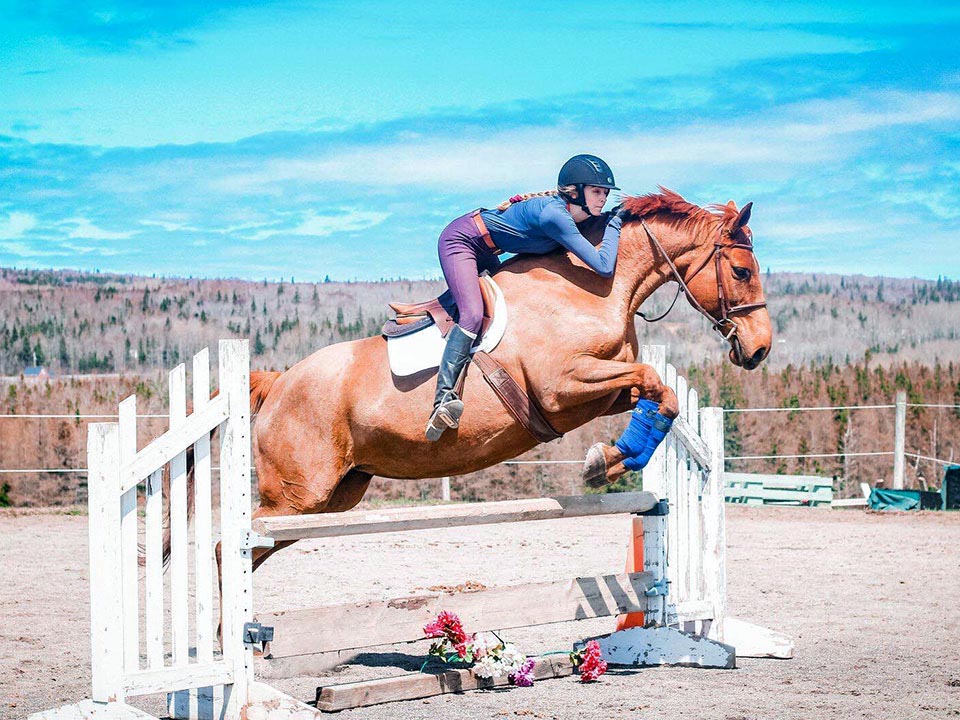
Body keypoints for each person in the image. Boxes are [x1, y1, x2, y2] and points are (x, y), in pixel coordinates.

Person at [425, 154, 624, 441]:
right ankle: (442, 400)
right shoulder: (555, 216)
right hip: (462, 241)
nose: (603, 198)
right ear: (574, 192)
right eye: (597, 192)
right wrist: (616, 224)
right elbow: (604, 266)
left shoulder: (569, 213)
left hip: (491, 250)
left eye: (606, 193)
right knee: (471, 314)